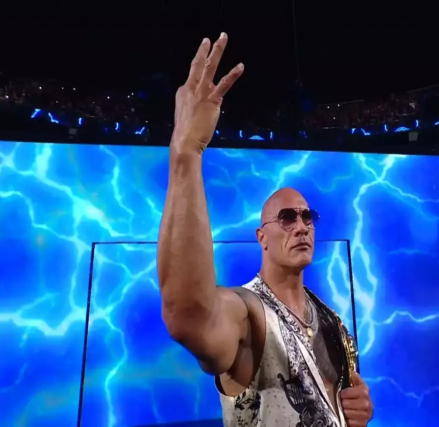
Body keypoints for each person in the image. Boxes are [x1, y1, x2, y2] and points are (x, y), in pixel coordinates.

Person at [157, 33, 373, 427]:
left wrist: (356, 409)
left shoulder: (332, 322)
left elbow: (340, 405)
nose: (301, 226)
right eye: (287, 218)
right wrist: (186, 153)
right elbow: (188, 316)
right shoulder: (249, 312)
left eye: (307, 217)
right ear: (262, 237)